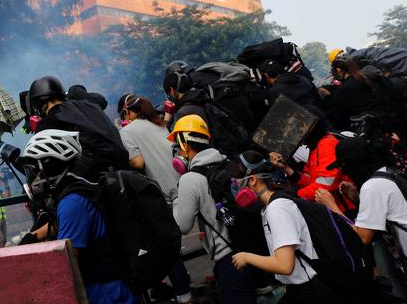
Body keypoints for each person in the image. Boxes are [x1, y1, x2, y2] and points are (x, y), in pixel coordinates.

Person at [21, 129, 135, 304]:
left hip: (103, 293)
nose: (34, 179)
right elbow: (66, 224)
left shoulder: (72, 203)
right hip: (112, 285)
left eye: (35, 171)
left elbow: (68, 260)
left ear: (49, 166)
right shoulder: (78, 186)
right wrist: (33, 236)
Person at [168, 115, 257, 304]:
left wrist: (176, 199)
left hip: (229, 258)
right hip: (252, 247)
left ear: (184, 144)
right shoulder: (226, 162)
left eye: (177, 146)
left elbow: (182, 225)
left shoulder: (190, 179)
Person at [230, 151, 334, 304]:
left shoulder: (277, 209)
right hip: (301, 287)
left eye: (237, 182)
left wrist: (246, 257)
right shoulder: (271, 206)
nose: (235, 187)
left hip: (311, 290)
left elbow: (285, 265)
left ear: (252, 180)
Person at [117, 93, 191, 303]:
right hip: (183, 184)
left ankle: (184, 296)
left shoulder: (127, 131)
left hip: (162, 195)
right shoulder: (159, 125)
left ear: (130, 112)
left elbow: (138, 163)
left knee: (167, 247)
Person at [316, 137, 407, 299]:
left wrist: (332, 206)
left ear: (355, 164)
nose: (343, 172)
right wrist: (357, 198)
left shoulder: (372, 187)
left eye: (344, 166)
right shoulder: (388, 172)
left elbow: (362, 237)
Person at [28, 76, 129, 182]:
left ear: (40, 104)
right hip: (124, 170)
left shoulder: (50, 121)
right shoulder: (89, 105)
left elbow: (45, 162)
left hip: (94, 180)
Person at [321, 57, 382, 130]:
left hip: (364, 124)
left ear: (339, 70)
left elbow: (334, 111)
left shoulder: (346, 88)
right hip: (376, 118)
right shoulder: (361, 78)